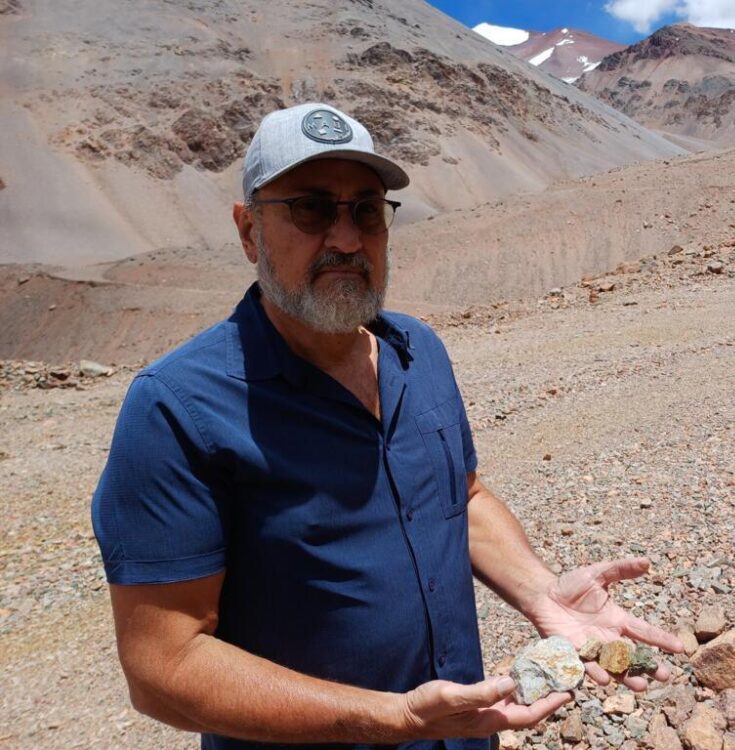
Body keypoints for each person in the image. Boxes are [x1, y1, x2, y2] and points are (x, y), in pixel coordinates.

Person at [91, 102, 683, 750]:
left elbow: (462, 496)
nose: (346, 239)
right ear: (249, 231)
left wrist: (543, 594)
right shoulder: (178, 409)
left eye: (366, 210)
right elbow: (162, 668)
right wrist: (384, 719)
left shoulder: (418, 353)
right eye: (311, 209)